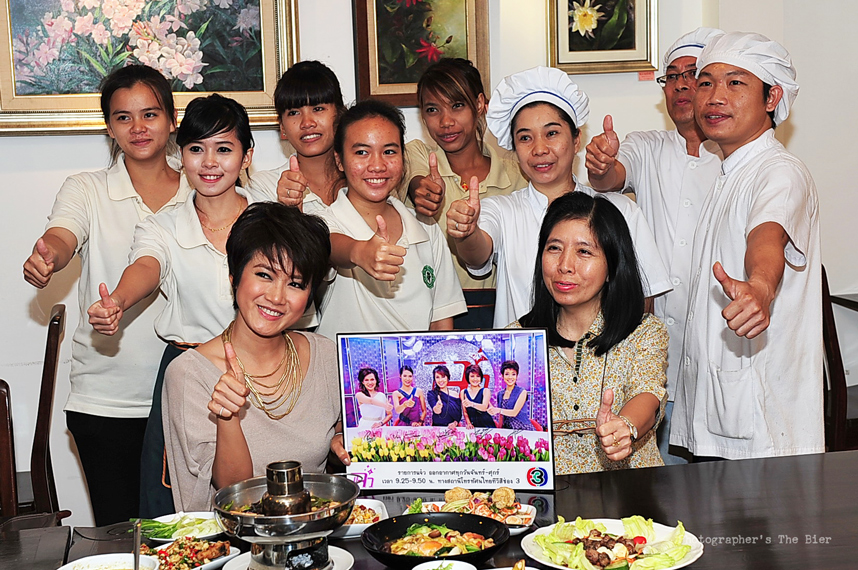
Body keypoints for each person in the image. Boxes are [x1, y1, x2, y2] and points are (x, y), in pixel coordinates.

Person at [87, 93, 289, 517]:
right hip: (190, 373)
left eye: (224, 149)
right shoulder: (161, 226)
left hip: (267, 371)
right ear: (180, 156)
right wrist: (119, 300)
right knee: (183, 509)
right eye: (196, 149)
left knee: (267, 498)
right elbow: (147, 266)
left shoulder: (274, 221)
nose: (209, 162)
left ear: (247, 156)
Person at [22, 65, 191, 525]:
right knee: (121, 538)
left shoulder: (204, 186)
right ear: (109, 128)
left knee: (193, 539)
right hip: (107, 401)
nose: (138, 127)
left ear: (172, 119)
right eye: (123, 117)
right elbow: (62, 235)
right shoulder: (87, 189)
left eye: (150, 114)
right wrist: (47, 256)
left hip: (193, 398)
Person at [671, 32, 824, 460]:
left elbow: (767, 237)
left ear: (772, 97)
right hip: (722, 416)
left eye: (735, 83)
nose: (715, 96)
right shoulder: (729, 172)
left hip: (761, 426)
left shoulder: (779, 172)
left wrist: (760, 287)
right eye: (705, 83)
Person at [585, 27, 725, 465]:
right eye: (672, 76)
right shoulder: (648, 145)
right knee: (660, 468)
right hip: (661, 340)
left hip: (721, 334)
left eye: (693, 74)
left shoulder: (736, 156)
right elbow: (609, 178)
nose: (681, 85)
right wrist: (601, 163)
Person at [446, 66, 671, 329]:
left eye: (551, 133)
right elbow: (476, 255)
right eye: (525, 138)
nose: (539, 149)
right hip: (521, 355)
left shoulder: (619, 210)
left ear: (576, 140)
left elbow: (643, 299)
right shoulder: (501, 210)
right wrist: (466, 232)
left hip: (603, 355)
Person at [163, 202, 348, 511]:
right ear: (234, 276)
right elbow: (232, 491)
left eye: (295, 284)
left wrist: (341, 437)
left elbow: (342, 429)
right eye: (264, 275)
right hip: (234, 536)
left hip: (316, 528)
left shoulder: (325, 354)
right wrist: (228, 417)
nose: (276, 297)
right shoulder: (189, 373)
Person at [514, 192, 667, 474]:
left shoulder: (643, 332)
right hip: (547, 494)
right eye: (554, 248)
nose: (564, 265)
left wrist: (625, 426)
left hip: (630, 493)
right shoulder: (516, 340)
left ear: (611, 267)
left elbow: (647, 393)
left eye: (584, 251)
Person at [315, 100, 467, 339]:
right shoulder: (322, 222)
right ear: (339, 160)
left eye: (389, 152)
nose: (377, 165)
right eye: (362, 152)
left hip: (415, 363)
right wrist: (359, 252)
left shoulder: (427, 229)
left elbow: (441, 322)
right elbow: (329, 245)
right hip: (342, 363)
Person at [401, 58, 527, 328]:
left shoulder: (516, 173)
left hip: (504, 315)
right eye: (432, 109)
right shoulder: (417, 155)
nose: (445, 121)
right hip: (430, 317)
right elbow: (416, 178)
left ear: (479, 104)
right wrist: (421, 190)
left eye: (457, 106)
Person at [250, 60, 347, 213]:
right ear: (282, 127)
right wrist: (288, 211)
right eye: (294, 113)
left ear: (340, 114)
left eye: (318, 109)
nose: (307, 123)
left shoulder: (365, 178)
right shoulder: (265, 187)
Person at [487, 360, 530, 430]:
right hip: (506, 428)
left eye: (513, 374)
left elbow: (514, 413)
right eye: (507, 374)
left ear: (517, 376)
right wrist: (499, 429)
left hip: (522, 428)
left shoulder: (522, 392)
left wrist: (497, 410)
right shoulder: (500, 394)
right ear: (502, 376)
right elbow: (501, 416)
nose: (510, 377)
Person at [460, 364, 494, 428]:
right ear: (468, 377)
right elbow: (465, 412)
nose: (475, 379)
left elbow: (484, 408)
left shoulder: (485, 391)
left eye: (478, 376)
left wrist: (471, 404)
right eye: (472, 376)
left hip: (487, 425)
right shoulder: (463, 392)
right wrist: (469, 423)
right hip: (473, 427)